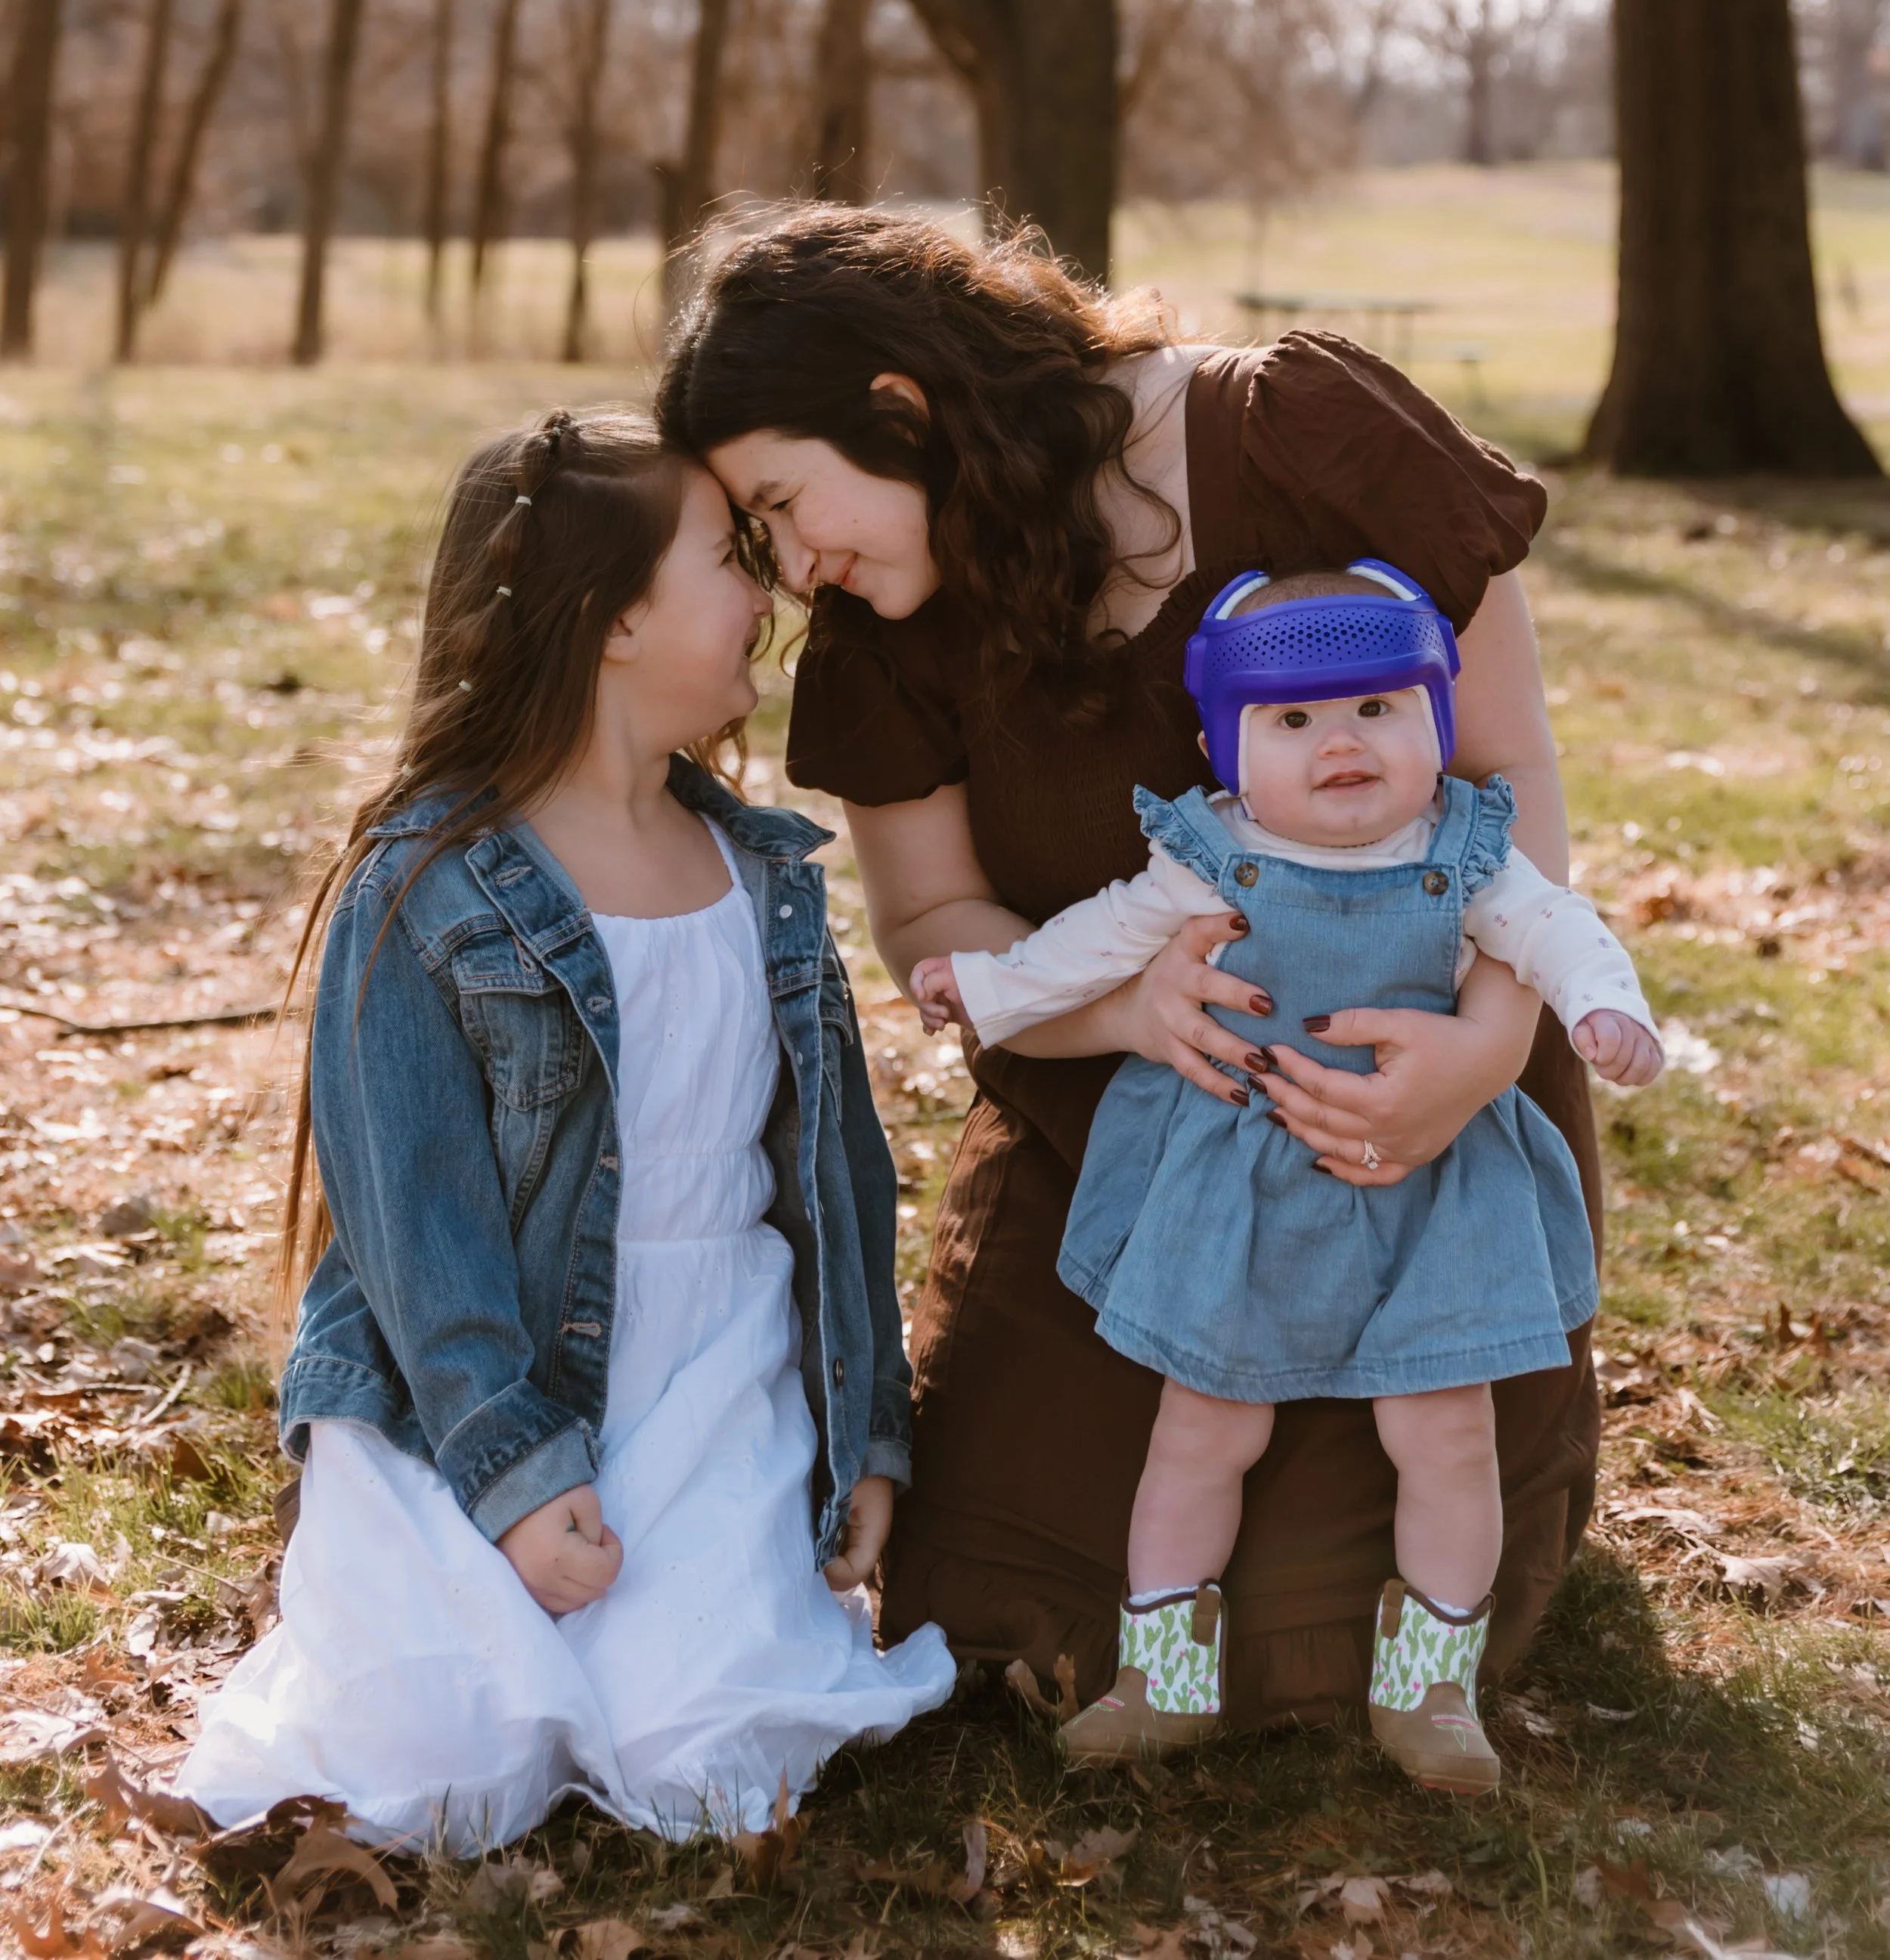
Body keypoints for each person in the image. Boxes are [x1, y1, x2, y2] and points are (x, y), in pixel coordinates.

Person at [655, 207, 1606, 1727]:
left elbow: (1509, 791)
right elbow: (929, 918)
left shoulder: (1299, 438)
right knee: (1007, 1603)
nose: (791, 562)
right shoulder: (883, 623)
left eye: (781, 499)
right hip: (1126, 1131)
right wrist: (1121, 1006)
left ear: (895, 407)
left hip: (1424, 1124)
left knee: (1328, 1608)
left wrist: (1484, 1052)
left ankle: (1440, 1573)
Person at [180, 410, 954, 1850]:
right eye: (729, 557)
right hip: (475, 1379)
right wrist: (517, 1473)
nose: (771, 589)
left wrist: (867, 1435)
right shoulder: (425, 885)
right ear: (613, 621)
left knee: (704, 1748)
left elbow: (839, 1181)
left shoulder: (763, 876)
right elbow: (418, 1229)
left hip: (716, 1365)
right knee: (437, 1750)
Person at [912, 560, 1662, 1787]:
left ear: (1436, 717)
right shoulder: (1212, 853)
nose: (1343, 741)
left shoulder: (1469, 850)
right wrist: (988, 985)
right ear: (1228, 746)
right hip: (1247, 1183)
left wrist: (1602, 1006)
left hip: (1427, 1185)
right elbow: (1095, 941)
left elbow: (1555, 930)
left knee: (1446, 1430)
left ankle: (1433, 1685)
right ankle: (1165, 1676)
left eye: (1377, 707)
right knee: (1204, 1426)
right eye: (1296, 718)